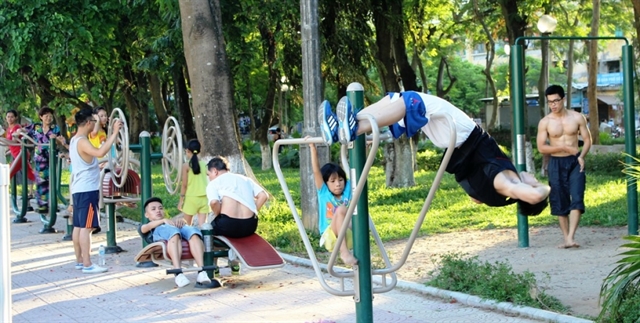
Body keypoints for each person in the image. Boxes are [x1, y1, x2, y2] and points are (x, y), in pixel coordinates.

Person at [319, 91, 550, 216]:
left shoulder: (507, 183)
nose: (534, 178)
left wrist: (550, 188)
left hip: (462, 133)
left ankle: (353, 128)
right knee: (397, 101)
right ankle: (345, 127)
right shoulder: (497, 194)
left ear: (527, 191)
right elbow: (475, 196)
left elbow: (535, 196)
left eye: (536, 181)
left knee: (412, 100)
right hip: (452, 141)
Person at [536, 85, 592, 249]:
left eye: (556, 101)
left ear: (563, 99)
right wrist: (564, 148)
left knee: (577, 196)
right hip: (556, 163)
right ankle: (566, 237)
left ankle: (571, 237)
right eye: (550, 102)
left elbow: (588, 140)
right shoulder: (545, 122)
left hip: (575, 161)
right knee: (559, 200)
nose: (553, 105)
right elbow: (541, 147)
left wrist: (581, 156)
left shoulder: (577, 117)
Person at [69, 108, 122, 274]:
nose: (95, 124)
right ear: (87, 123)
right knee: (86, 227)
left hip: (79, 189)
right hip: (87, 190)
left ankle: (79, 261)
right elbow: (100, 152)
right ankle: (87, 263)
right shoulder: (82, 141)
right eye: (94, 121)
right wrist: (114, 133)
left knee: (78, 226)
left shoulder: (75, 140)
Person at [139, 197, 211, 287]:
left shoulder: (169, 222)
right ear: (147, 215)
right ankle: (178, 273)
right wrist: (162, 221)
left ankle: (202, 271)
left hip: (175, 228)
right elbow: (144, 228)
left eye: (160, 208)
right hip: (169, 233)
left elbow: (181, 225)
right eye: (153, 209)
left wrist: (182, 221)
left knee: (193, 232)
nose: (158, 210)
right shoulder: (149, 226)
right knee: (174, 233)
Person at [308, 138, 356, 265]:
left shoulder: (347, 190)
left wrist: (365, 148)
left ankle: (350, 248)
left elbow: (359, 170)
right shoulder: (324, 192)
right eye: (333, 181)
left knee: (355, 214)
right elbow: (316, 171)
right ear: (326, 183)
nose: (338, 184)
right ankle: (344, 252)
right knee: (341, 210)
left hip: (349, 233)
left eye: (340, 180)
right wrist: (313, 148)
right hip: (330, 235)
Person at [24, 106, 67, 214]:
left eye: (50, 116)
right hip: (39, 159)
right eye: (46, 116)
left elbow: (59, 142)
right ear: (41, 117)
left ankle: (52, 204)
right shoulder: (36, 127)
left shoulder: (55, 128)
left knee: (52, 181)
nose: (48, 118)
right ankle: (42, 206)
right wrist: (19, 132)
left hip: (51, 158)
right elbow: (24, 131)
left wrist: (56, 139)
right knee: (41, 182)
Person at [178, 139, 210, 227]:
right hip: (204, 198)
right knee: (204, 227)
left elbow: (184, 185)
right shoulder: (204, 165)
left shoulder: (186, 166)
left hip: (191, 198)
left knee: (187, 226)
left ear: (187, 151)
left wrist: (181, 201)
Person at [6, 110, 36, 183]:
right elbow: (13, 145)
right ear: (6, 118)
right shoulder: (9, 129)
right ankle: (48, 184)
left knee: (8, 174)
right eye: (8, 117)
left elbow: (14, 142)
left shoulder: (17, 127)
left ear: (16, 118)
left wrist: (2, 140)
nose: (10, 119)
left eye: (12, 117)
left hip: (21, 155)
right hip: (16, 155)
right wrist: (7, 151)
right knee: (31, 175)